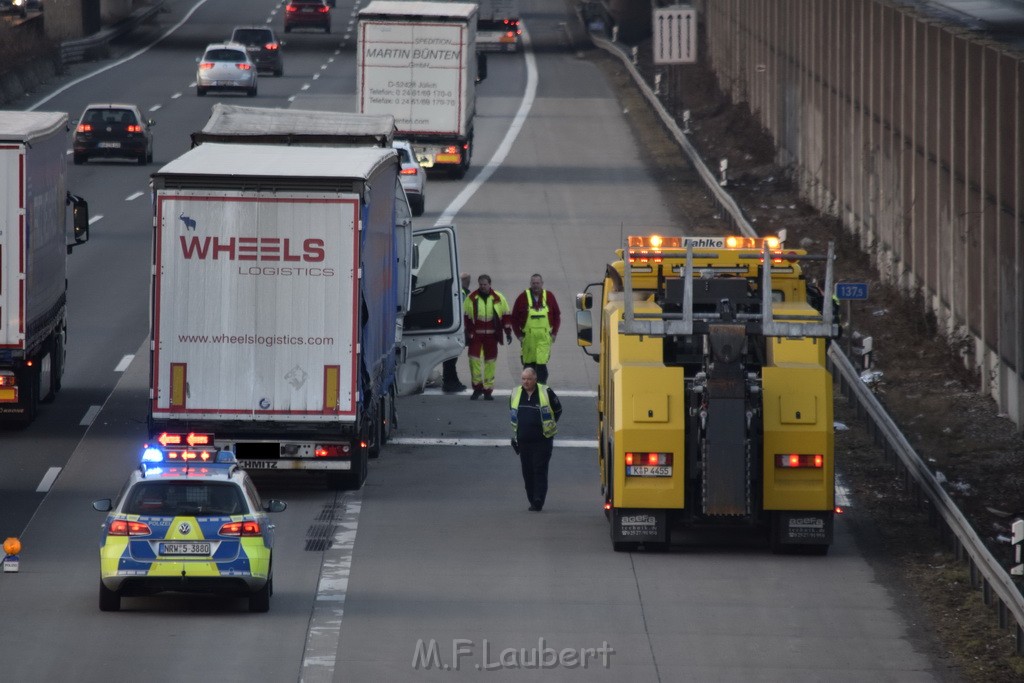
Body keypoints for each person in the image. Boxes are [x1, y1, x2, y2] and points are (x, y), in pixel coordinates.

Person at [510, 367, 562, 511]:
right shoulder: (515, 393)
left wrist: (548, 425)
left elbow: (558, 410)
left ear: (535, 379)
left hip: (542, 440)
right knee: (527, 472)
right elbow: (513, 414)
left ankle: (538, 499)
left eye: (529, 379)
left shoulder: (546, 392)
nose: (526, 382)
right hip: (523, 441)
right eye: (523, 379)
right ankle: (532, 499)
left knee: (539, 469)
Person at [463, 274, 512, 400]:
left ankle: (488, 390)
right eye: (480, 284)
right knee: (473, 360)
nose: (483, 287)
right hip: (476, 336)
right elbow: (467, 317)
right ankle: (477, 388)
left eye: (485, 284)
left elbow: (506, 315)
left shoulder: (498, 298)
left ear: (490, 284)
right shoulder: (472, 298)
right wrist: (467, 333)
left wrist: (508, 331)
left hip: (492, 336)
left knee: (490, 362)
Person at [511, 273, 561, 384]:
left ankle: (541, 388)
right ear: (530, 284)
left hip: (544, 338)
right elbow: (513, 318)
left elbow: (557, 315)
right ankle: (528, 390)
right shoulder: (522, 297)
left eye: (538, 283)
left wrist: (554, 333)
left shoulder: (549, 296)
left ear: (542, 284)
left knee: (542, 365)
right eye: (533, 283)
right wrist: (519, 335)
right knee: (529, 365)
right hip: (528, 339)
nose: (536, 285)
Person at [442, 272, 472, 393]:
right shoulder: (461, 293)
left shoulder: (458, 292)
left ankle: (451, 381)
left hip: (454, 329)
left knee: (451, 358)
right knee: (451, 358)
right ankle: (450, 382)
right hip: (456, 330)